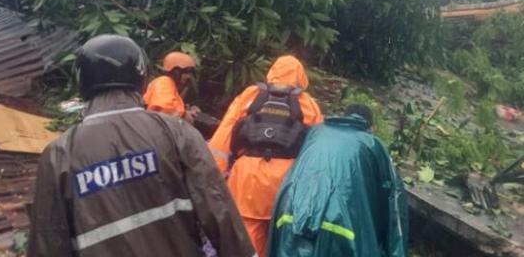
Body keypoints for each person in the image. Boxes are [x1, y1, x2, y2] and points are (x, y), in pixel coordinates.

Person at [27, 35, 255, 257]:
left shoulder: (59, 154)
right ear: (141, 76)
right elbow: (219, 211)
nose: (188, 78)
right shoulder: (175, 132)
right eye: (186, 73)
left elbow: (47, 241)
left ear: (82, 81)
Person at [209, 55, 323, 257]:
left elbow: (223, 137)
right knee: (283, 239)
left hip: (247, 179)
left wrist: (214, 175)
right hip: (287, 181)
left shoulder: (250, 96)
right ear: (301, 76)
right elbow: (317, 150)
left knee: (247, 240)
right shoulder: (308, 104)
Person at [268, 104, 408, 257]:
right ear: (372, 128)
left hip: (293, 214)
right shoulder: (373, 144)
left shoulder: (315, 132)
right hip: (342, 225)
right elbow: (394, 203)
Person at [144, 51, 201, 124]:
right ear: (176, 71)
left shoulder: (170, 85)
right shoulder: (164, 81)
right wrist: (184, 114)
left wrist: (188, 111)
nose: (188, 76)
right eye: (186, 72)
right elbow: (165, 109)